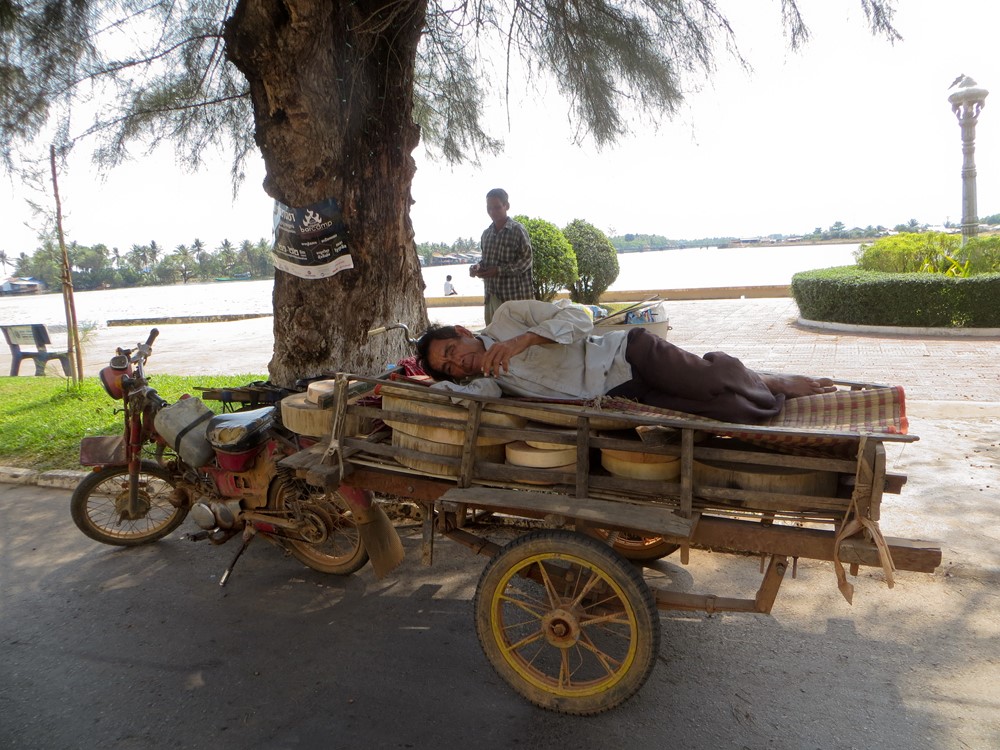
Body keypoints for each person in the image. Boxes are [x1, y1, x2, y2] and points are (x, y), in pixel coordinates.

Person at [416, 299, 837, 424]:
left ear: (464, 333)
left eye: (454, 353)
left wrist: (526, 340)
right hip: (618, 395)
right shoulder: (486, 382)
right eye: (449, 367)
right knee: (733, 412)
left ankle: (770, 378)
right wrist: (434, 385)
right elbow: (474, 392)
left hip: (627, 353)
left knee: (710, 379)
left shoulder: (509, 317)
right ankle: (759, 388)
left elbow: (580, 315)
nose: (460, 364)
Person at [469, 188, 533, 324]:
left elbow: (526, 261)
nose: (493, 212)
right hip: (491, 298)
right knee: (493, 340)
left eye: (497, 207)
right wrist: (477, 267)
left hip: (514, 300)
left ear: (506, 206)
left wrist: (498, 270)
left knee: (515, 341)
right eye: (489, 208)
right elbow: (486, 261)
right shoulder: (486, 234)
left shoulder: (517, 230)